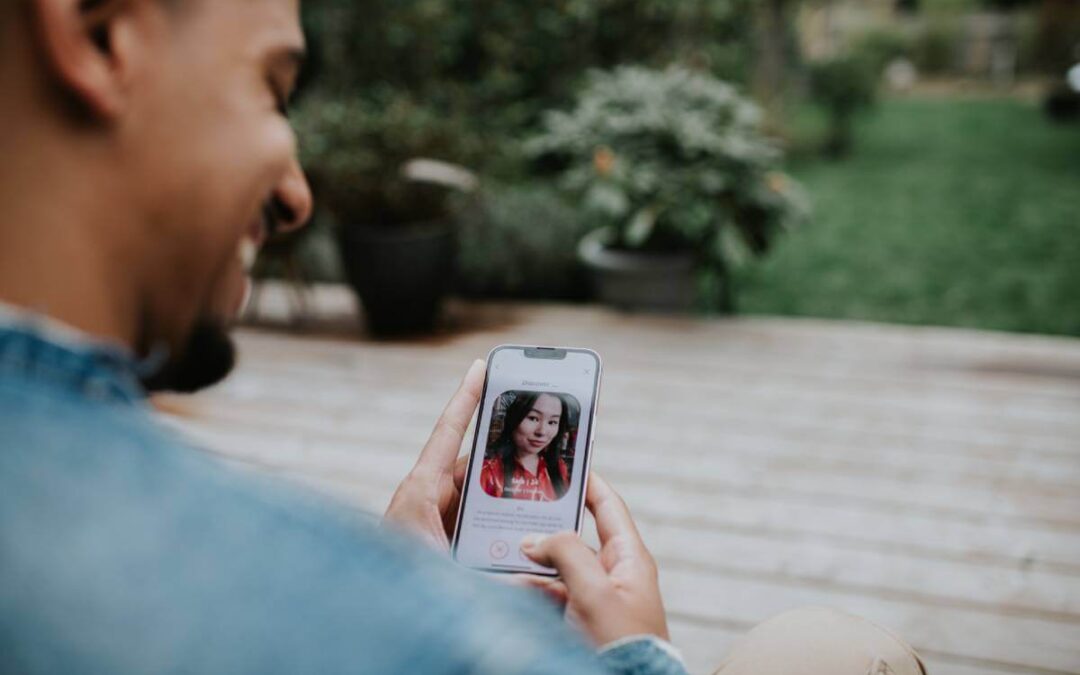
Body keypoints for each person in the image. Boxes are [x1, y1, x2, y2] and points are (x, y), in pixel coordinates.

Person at [0, 1, 925, 674]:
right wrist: (635, 655)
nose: (297, 195)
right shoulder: (331, 610)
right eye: (272, 88)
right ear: (98, 32)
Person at [481, 392, 572, 501]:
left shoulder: (560, 468)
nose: (542, 432)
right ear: (513, 418)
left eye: (552, 422)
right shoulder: (488, 472)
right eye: (533, 418)